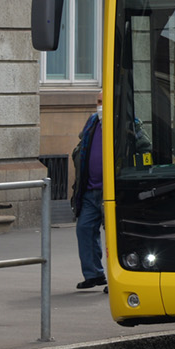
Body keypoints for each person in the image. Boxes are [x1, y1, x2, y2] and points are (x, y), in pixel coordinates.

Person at [70, 97, 105, 290]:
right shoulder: (93, 121)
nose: (99, 105)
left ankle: (118, 276)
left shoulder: (125, 122)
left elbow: (143, 146)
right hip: (90, 190)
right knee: (84, 228)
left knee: (115, 236)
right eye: (98, 101)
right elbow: (82, 147)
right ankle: (94, 274)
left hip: (112, 192)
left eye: (103, 100)